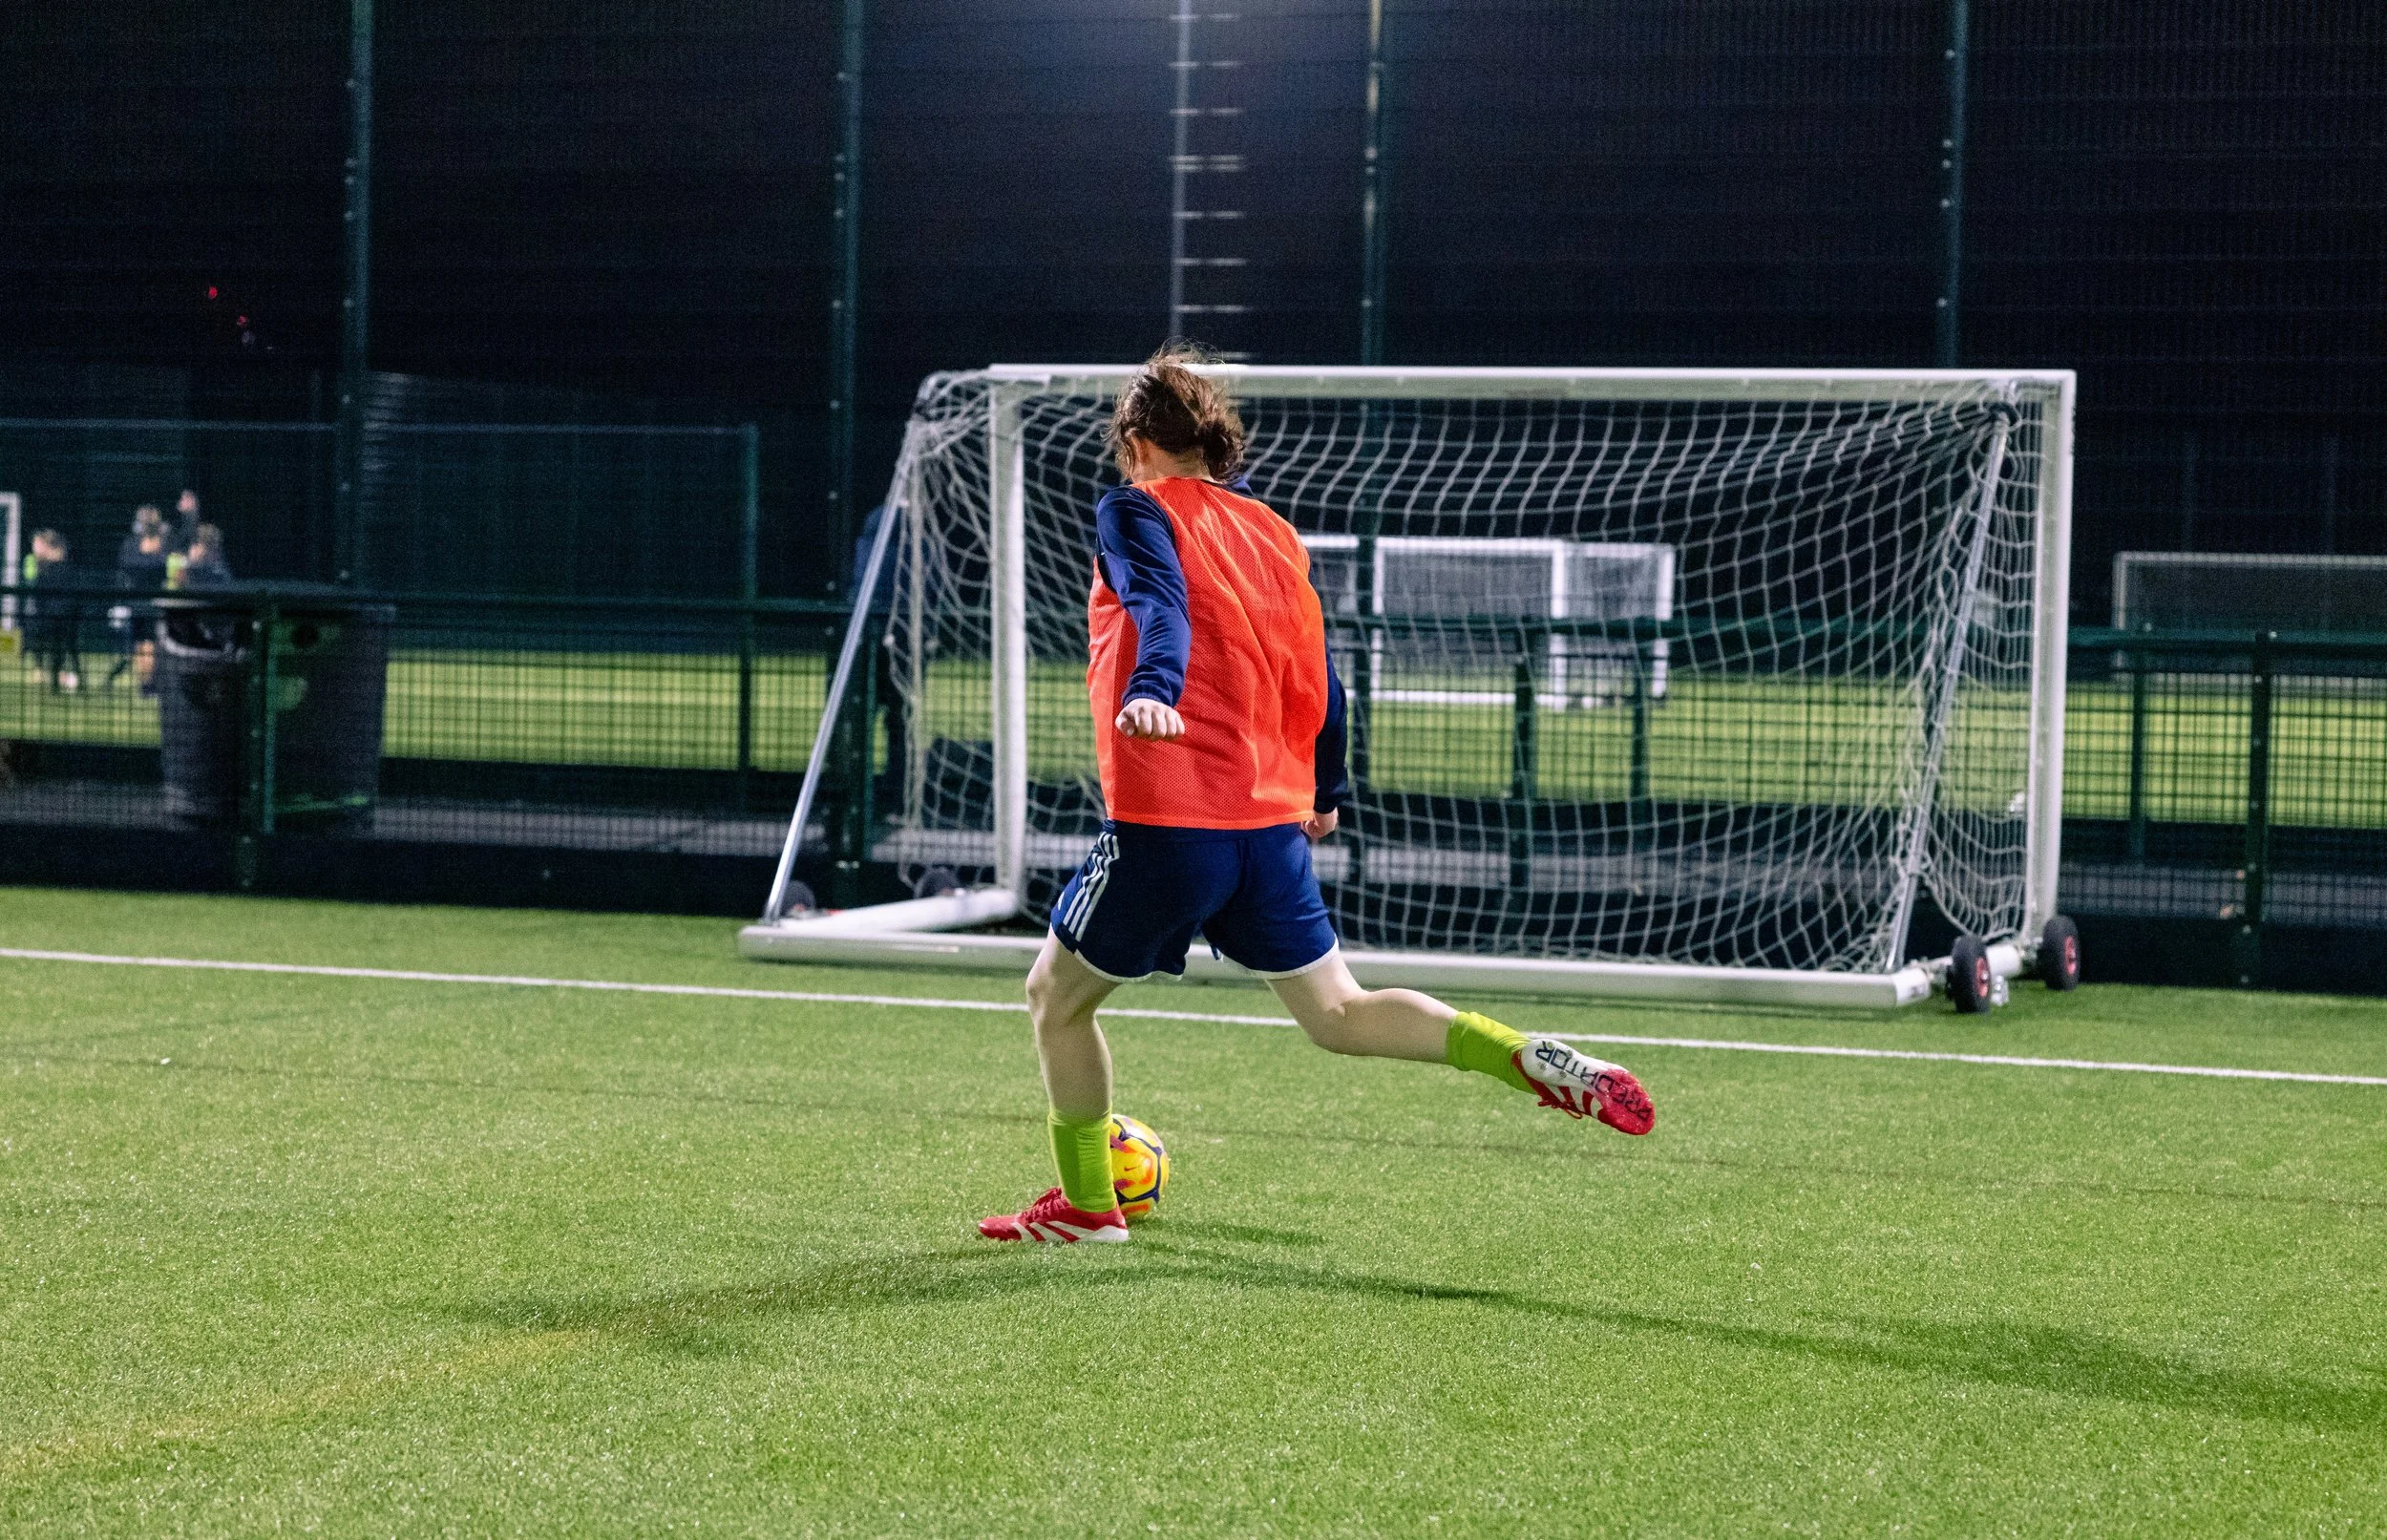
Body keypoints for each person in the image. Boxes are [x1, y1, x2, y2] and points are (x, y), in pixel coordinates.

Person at [977, 350, 1656, 1246]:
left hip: (1170, 818)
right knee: (1338, 1012)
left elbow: (1160, 600)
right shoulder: (1270, 528)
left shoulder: (1133, 507)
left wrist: (1154, 686)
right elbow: (1322, 672)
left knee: (1055, 998)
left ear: (1135, 443)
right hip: (1270, 823)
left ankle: (1089, 1207)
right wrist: (1325, 783)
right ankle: (1526, 1056)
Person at [109, 506, 169, 688]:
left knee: (146, 644)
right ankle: (146, 683)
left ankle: (148, 683)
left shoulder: (155, 545)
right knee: (143, 644)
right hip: (141, 602)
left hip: (151, 602)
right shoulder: (137, 544)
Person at [23, 529, 82, 693]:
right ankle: (54, 677)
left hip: (60, 614)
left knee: (64, 647)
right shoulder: (44, 567)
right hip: (54, 614)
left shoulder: (59, 568)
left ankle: (61, 679)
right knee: (59, 648)